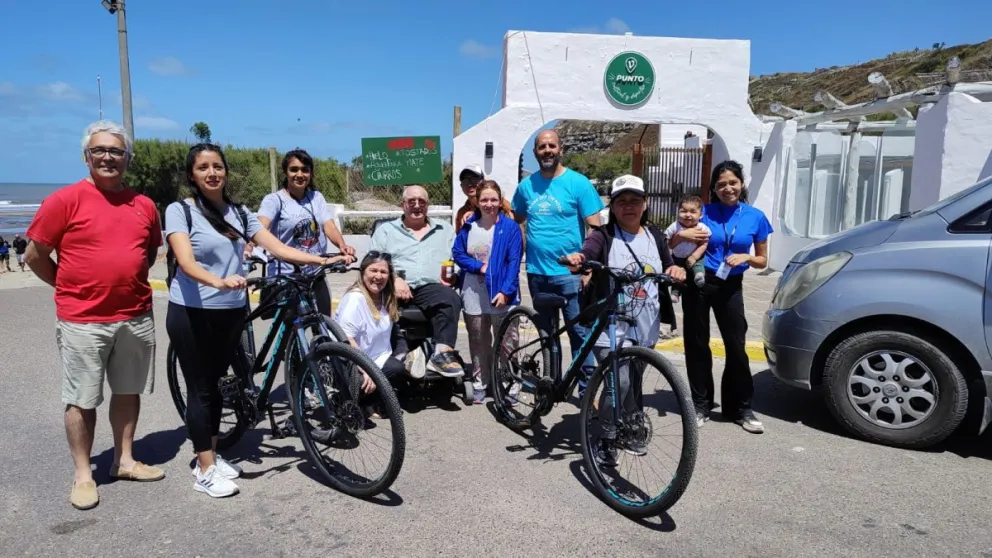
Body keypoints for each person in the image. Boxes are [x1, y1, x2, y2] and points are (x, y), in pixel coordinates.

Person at [165, 143, 352, 499]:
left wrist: (323, 262)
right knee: (202, 388)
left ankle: (213, 454)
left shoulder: (238, 212)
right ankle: (204, 468)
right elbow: (186, 262)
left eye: (217, 166)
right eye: (203, 167)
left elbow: (278, 248)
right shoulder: (180, 210)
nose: (212, 173)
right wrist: (217, 280)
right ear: (192, 174)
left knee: (219, 383)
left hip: (231, 309)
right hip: (192, 311)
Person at [24, 120, 164, 510]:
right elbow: (35, 255)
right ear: (86, 157)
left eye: (116, 151)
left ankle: (124, 460)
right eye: (99, 151)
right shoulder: (64, 200)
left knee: (127, 391)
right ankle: (84, 474)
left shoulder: (144, 204)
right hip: (82, 320)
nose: (107, 157)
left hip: (135, 316)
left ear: (127, 159)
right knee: (82, 398)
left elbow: (149, 253)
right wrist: (68, 287)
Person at [564, 175, 686, 465]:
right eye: (621, 202)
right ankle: (606, 436)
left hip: (646, 322)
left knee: (633, 379)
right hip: (611, 323)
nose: (628, 207)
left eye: (634, 201)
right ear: (613, 207)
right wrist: (580, 259)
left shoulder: (656, 236)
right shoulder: (603, 235)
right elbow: (589, 250)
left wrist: (675, 270)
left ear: (644, 205)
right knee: (618, 382)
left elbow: (668, 264)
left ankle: (629, 425)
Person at [673, 160, 772, 434]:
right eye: (721, 185)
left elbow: (764, 260)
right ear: (714, 189)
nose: (727, 188)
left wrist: (748, 257)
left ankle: (739, 408)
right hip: (699, 282)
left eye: (732, 183)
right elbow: (681, 233)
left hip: (732, 284)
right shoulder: (705, 212)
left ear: (741, 184)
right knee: (696, 344)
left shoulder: (756, 216)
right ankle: (700, 405)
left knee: (736, 346)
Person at [511, 129, 604, 396]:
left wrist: (588, 269)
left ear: (560, 149)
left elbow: (596, 230)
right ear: (535, 152)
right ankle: (552, 386)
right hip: (538, 273)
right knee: (547, 335)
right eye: (542, 147)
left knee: (580, 336)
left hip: (571, 275)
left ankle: (587, 396)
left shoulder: (579, 184)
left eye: (552, 145)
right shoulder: (526, 187)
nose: (547, 150)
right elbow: (515, 220)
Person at [369, 185, 464, 377]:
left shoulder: (444, 230)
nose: (417, 205)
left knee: (450, 298)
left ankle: (442, 355)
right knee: (379, 305)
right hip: (393, 286)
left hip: (431, 286)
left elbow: (458, 258)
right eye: (411, 201)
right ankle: (402, 354)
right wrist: (393, 279)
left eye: (422, 201)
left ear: (428, 205)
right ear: (403, 204)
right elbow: (373, 263)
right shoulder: (386, 231)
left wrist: (455, 274)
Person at [255, 148, 355, 316]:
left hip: (315, 274)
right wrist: (250, 245)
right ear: (285, 172)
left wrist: (342, 245)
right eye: (294, 169)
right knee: (291, 331)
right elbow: (260, 227)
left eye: (305, 170)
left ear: (311, 173)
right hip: (287, 277)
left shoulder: (316, 197)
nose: (299, 174)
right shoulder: (274, 200)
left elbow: (328, 226)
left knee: (323, 324)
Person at [452, 180, 523, 403]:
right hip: (474, 291)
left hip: (502, 292)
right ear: (477, 202)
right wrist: (478, 267)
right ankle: (480, 382)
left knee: (507, 342)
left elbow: (514, 261)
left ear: (500, 201)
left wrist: (506, 291)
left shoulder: (510, 227)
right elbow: (458, 253)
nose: (489, 204)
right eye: (484, 199)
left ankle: (509, 382)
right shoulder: (469, 225)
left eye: (493, 199)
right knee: (478, 340)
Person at [333, 251, 407, 414]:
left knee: (397, 368)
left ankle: (370, 403)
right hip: (351, 360)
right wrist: (367, 370)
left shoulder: (386, 298)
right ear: (363, 272)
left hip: (376, 358)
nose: (378, 276)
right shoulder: (355, 299)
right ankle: (344, 403)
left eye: (383, 272)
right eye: (373, 271)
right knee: (361, 382)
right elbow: (347, 340)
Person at [665, 195, 710, 303]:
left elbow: (704, 244)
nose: (688, 215)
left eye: (693, 212)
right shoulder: (675, 226)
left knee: (699, 264)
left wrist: (694, 256)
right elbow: (665, 240)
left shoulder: (702, 227)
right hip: (677, 256)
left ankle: (699, 276)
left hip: (694, 255)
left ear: (700, 215)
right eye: (683, 211)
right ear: (678, 212)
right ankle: (675, 293)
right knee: (677, 275)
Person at [455, 164, 513, 228]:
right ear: (461, 186)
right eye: (465, 180)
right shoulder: (461, 212)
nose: (470, 184)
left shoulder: (502, 205)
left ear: (483, 182)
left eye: (474, 179)